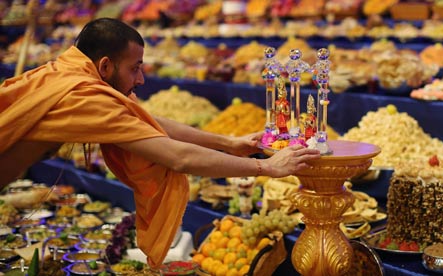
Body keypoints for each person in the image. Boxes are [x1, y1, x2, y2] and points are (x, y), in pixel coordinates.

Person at [0, 18, 320, 268]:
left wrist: (228, 143)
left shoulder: (68, 73)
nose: (140, 79)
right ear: (106, 66)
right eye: (135, 68)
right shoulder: (83, 96)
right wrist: (265, 166)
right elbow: (177, 157)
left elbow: (147, 121)